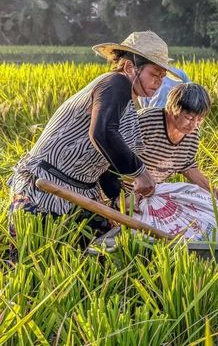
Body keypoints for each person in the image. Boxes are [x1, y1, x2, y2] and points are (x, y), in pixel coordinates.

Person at [8, 31, 181, 235]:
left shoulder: (127, 103)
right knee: (37, 258)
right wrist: (140, 173)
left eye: (162, 76)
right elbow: (102, 133)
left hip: (79, 192)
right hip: (44, 187)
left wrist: (117, 196)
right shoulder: (115, 83)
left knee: (101, 254)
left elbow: (101, 159)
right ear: (129, 67)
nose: (158, 82)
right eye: (154, 74)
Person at [118, 83, 218, 202]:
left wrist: (213, 192)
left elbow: (188, 166)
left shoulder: (191, 134)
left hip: (148, 197)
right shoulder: (146, 121)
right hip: (120, 194)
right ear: (172, 109)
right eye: (189, 118)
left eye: (200, 120)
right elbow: (114, 154)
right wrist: (120, 197)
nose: (194, 125)